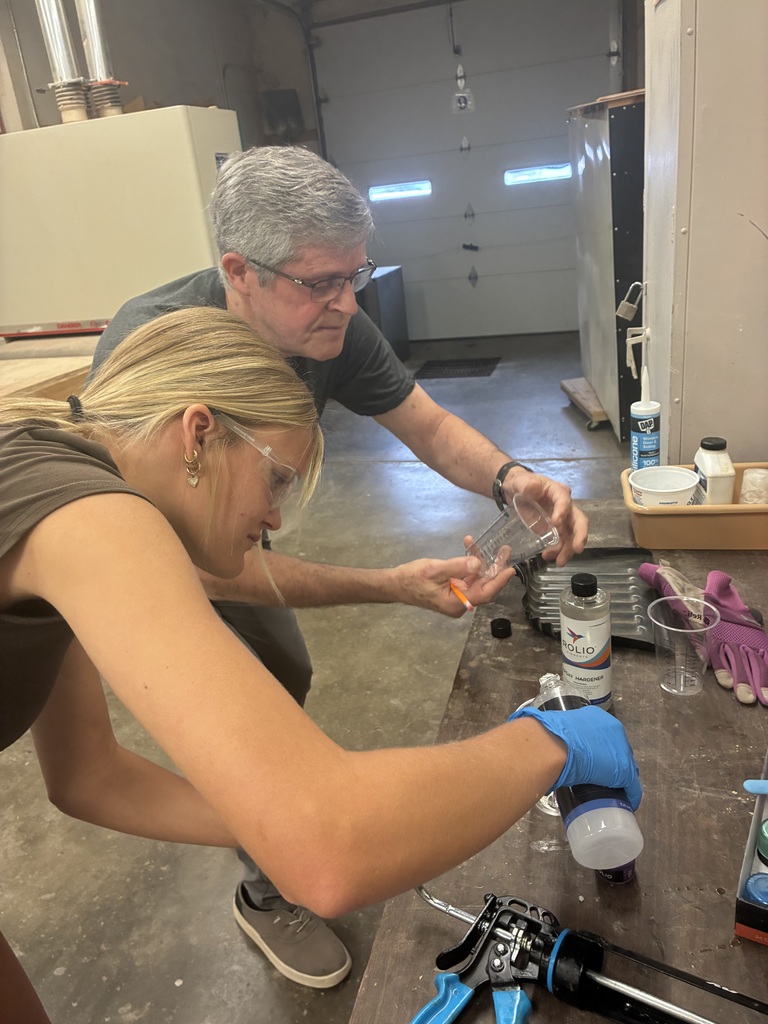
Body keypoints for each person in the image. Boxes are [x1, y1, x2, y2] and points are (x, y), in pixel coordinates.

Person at [1, 306, 639, 1022]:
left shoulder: (51, 477)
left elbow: (89, 775)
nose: (275, 519)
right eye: (276, 481)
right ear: (198, 433)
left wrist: (272, 817)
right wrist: (550, 743)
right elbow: (330, 852)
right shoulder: (92, 516)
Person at [89, 145, 591, 987]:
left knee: (286, 667)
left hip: (223, 531)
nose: (347, 302)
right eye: (322, 281)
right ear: (238, 272)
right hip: (159, 555)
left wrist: (513, 477)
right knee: (248, 727)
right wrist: (388, 586)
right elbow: (206, 575)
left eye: (355, 274)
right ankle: (265, 887)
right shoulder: (157, 357)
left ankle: (275, 830)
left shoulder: (333, 326)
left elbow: (427, 426)